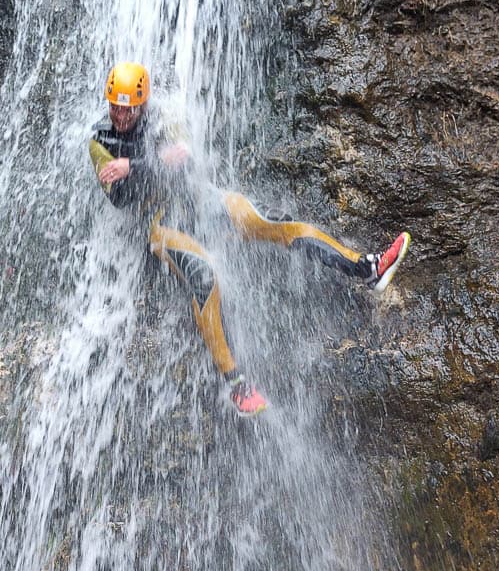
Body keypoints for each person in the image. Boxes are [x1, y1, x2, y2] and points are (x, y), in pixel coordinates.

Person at [89, 61, 410, 417]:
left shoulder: (165, 117)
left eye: (129, 109)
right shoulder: (100, 141)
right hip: (160, 222)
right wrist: (156, 163)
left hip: (199, 198)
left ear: (144, 104)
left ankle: (367, 269)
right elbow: (121, 198)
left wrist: (133, 167)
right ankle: (236, 384)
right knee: (204, 274)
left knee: (272, 222)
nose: (121, 115)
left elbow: (186, 163)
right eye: (115, 107)